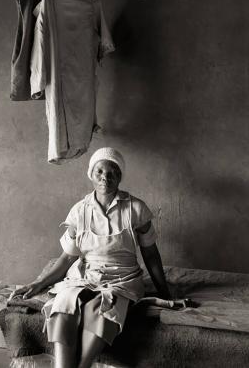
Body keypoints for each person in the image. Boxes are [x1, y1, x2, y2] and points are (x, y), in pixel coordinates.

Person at [9, 147, 171, 368]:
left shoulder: (136, 209)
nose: (106, 177)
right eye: (100, 172)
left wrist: (164, 291)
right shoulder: (79, 212)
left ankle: (83, 365)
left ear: (120, 177)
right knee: (64, 304)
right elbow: (67, 258)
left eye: (112, 172)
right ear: (91, 175)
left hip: (122, 278)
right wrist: (38, 284)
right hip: (85, 275)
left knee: (105, 306)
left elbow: (151, 254)